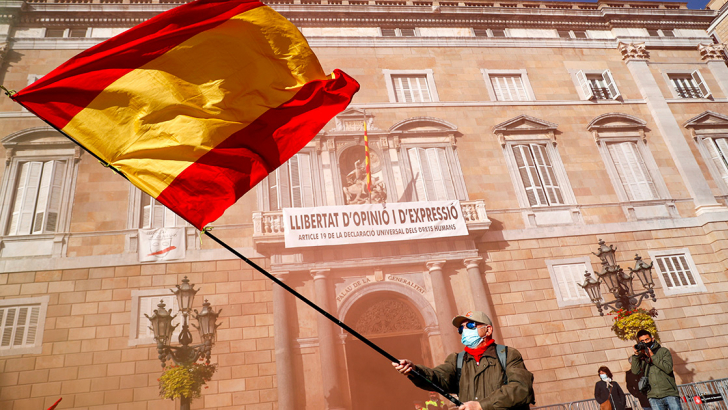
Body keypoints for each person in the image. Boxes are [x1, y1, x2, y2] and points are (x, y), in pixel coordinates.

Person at [392, 311, 535, 410]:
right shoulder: (457, 360)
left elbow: (521, 388)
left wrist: (481, 406)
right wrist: (415, 370)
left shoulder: (508, 355)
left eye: (471, 325)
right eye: (461, 328)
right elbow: (438, 377)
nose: (465, 330)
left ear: (488, 330)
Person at [630, 330, 680, 410]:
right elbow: (635, 371)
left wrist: (652, 356)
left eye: (647, 339)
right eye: (642, 341)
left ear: (652, 339)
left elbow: (668, 369)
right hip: (653, 395)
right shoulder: (641, 356)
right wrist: (636, 355)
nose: (645, 342)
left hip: (669, 393)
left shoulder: (663, 351)